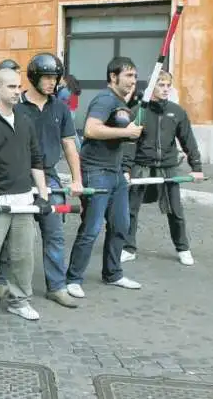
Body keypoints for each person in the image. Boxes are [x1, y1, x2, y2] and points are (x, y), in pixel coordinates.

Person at [0, 53, 83, 309]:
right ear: (34, 77)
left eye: (54, 78)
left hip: (50, 177)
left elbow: (69, 145)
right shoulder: (17, 107)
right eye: (46, 77)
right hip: (18, 176)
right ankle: (0, 280)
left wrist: (76, 179)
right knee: (11, 234)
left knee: (54, 233)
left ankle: (57, 286)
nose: (51, 82)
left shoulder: (61, 109)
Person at [0, 68, 51, 327]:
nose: (18, 92)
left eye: (19, 87)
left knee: (23, 254)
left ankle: (20, 301)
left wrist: (43, 195)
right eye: (12, 87)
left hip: (24, 200)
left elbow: (36, 159)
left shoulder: (25, 121)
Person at [66, 56, 143, 298]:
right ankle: (73, 278)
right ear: (113, 77)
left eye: (135, 76)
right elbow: (90, 129)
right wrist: (126, 131)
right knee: (92, 227)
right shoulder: (104, 99)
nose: (133, 81)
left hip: (116, 172)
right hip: (95, 171)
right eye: (128, 75)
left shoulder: (121, 102)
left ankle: (113, 274)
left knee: (121, 224)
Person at [122, 70, 203, 266]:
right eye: (161, 85)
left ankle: (182, 248)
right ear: (152, 87)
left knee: (175, 210)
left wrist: (197, 167)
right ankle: (128, 247)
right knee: (130, 209)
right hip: (141, 166)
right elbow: (128, 142)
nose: (165, 89)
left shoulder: (177, 112)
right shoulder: (139, 111)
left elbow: (188, 141)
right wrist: (125, 168)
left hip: (167, 167)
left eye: (168, 85)